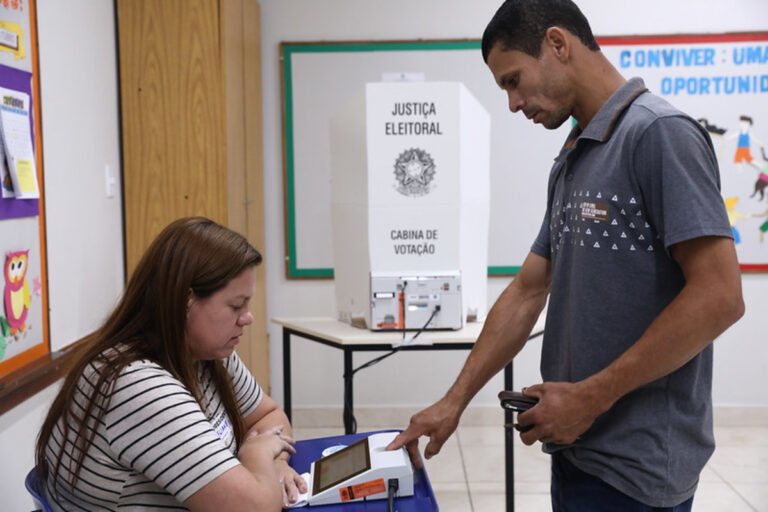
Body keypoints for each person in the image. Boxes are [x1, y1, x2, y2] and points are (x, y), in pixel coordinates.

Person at [387, 1, 744, 510]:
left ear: (558, 43)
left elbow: (720, 296)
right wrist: (453, 401)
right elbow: (528, 289)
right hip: (575, 445)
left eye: (514, 80)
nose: (513, 103)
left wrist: (591, 397)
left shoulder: (659, 133)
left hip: (637, 466)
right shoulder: (575, 153)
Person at [35, 217, 307, 511]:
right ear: (185, 301)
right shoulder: (136, 386)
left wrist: (275, 465)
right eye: (235, 305)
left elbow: (268, 415)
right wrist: (256, 456)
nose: (248, 317)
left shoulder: (208, 353)